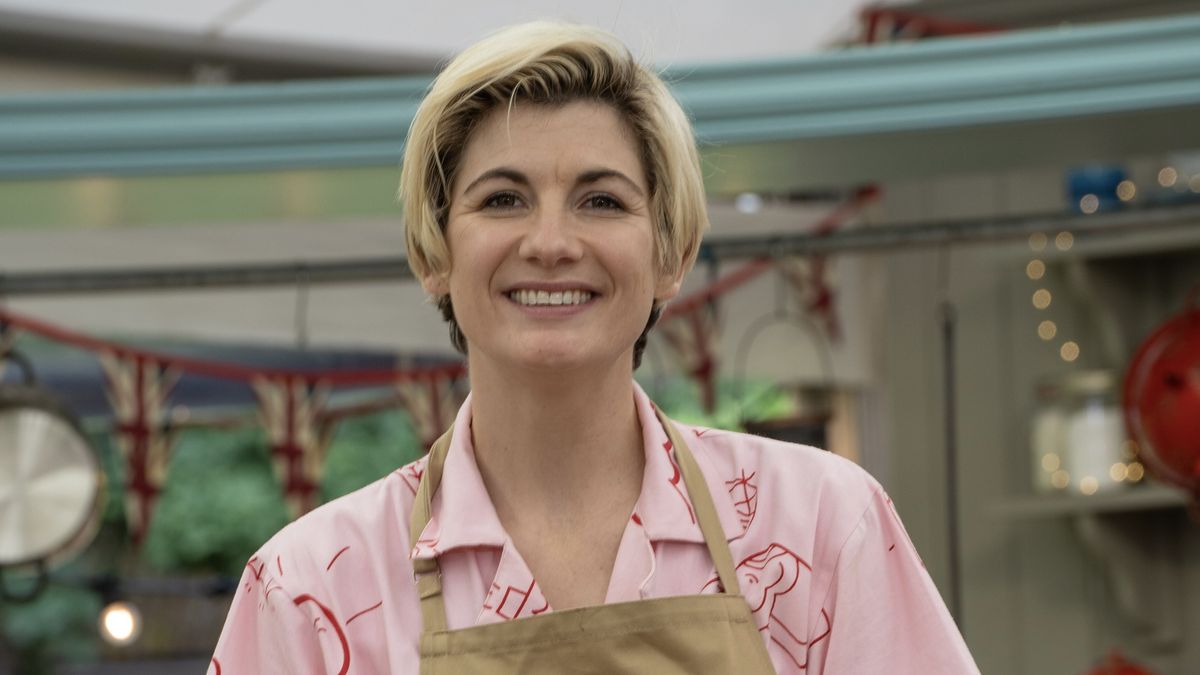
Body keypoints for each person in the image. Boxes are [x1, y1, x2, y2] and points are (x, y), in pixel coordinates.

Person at [209, 21, 979, 674]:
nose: (550, 243)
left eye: (602, 200)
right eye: (502, 199)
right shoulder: (309, 590)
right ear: (432, 254)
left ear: (671, 254)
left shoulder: (817, 525)